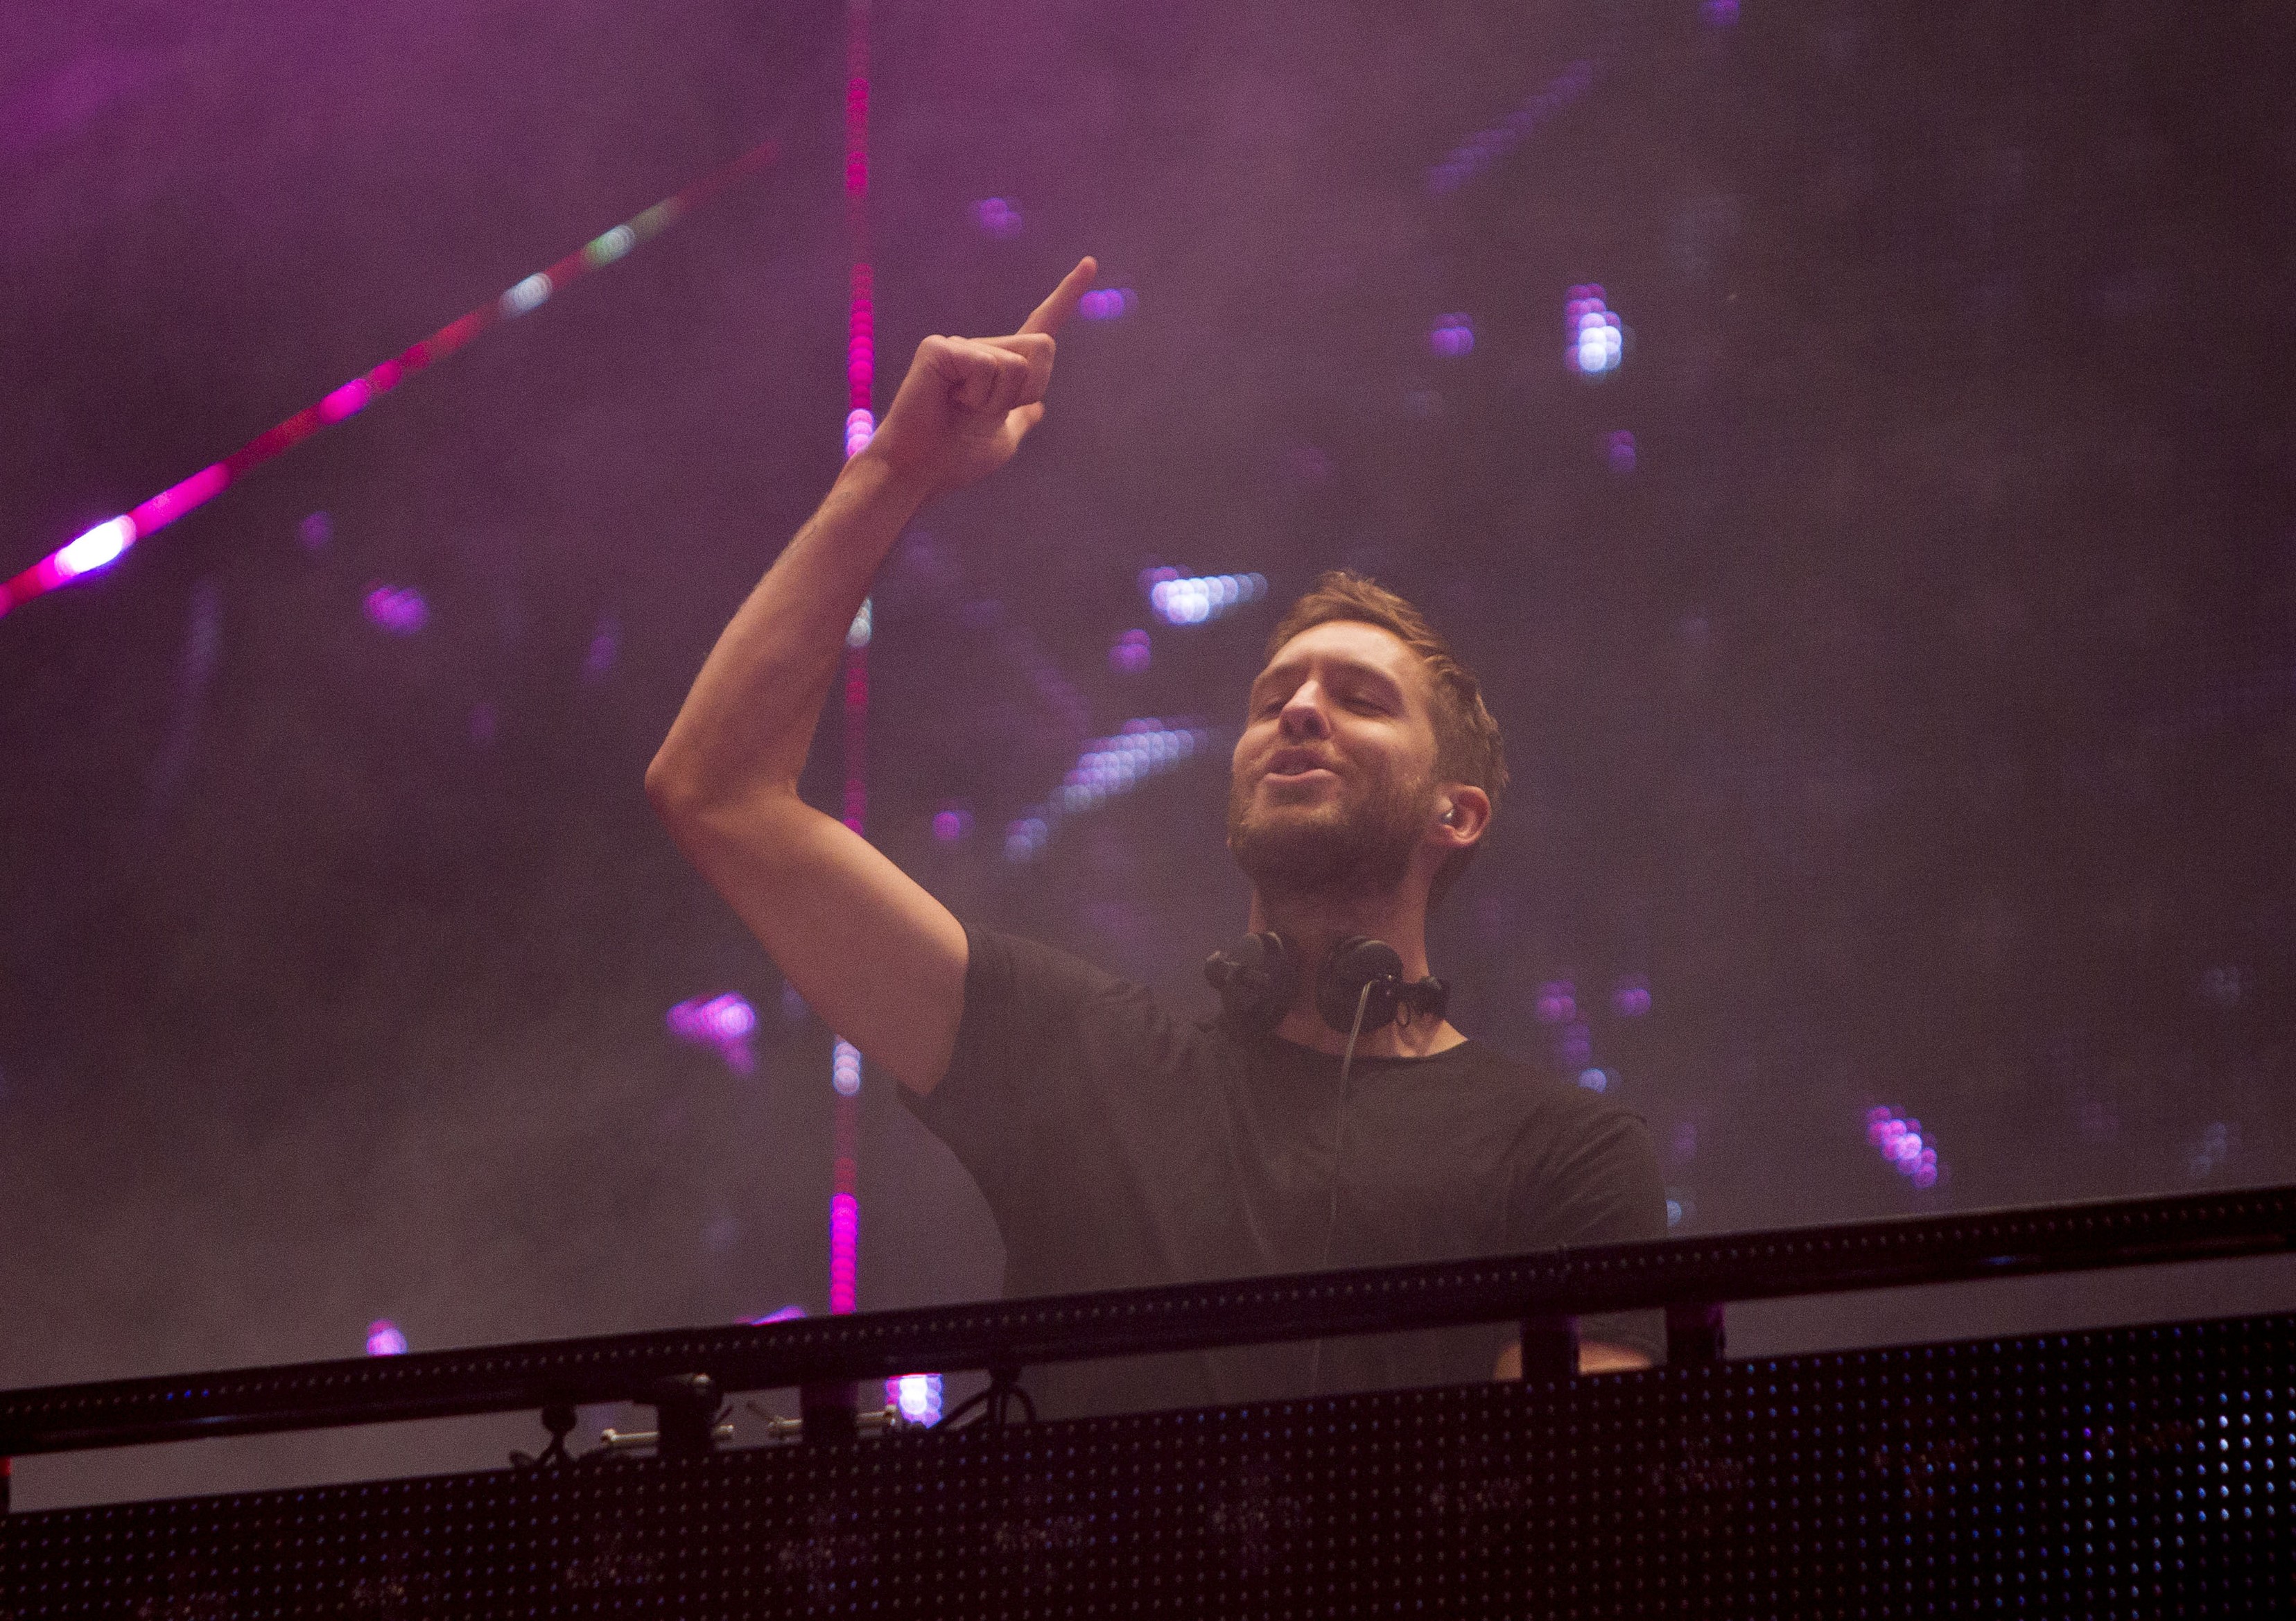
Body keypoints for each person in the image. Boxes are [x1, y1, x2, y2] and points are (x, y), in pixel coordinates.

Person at [645, 259, 1666, 1418]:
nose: (1299, 710)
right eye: (1274, 694)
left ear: (1458, 812)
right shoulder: (1084, 1065)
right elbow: (718, 792)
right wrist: (896, 471)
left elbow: (1571, 1503)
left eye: (1360, 698)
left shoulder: (1566, 1155)